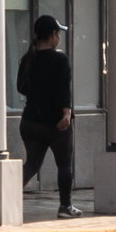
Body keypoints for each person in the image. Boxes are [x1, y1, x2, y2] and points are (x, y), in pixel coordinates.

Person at [18, 14, 81, 219]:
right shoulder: (59, 59)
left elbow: (21, 87)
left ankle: (5, 197)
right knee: (64, 164)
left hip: (30, 122)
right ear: (53, 35)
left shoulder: (28, 59)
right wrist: (66, 112)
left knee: (32, 164)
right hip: (55, 124)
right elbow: (63, 90)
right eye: (57, 33)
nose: (58, 38)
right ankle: (65, 206)